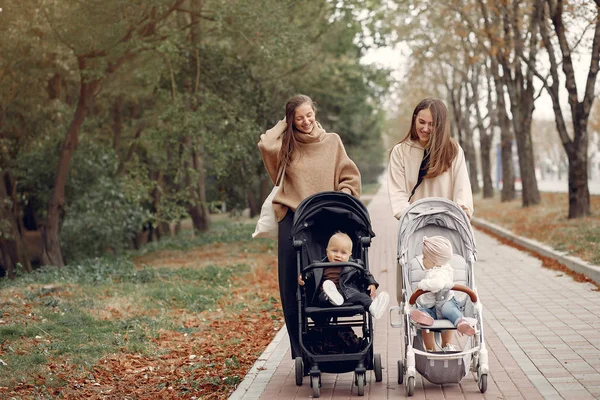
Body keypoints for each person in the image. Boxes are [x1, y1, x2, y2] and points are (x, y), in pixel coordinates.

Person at [258, 94, 361, 359]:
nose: (305, 122)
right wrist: (286, 119)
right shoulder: (286, 146)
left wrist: (346, 194)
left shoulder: (332, 141)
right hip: (293, 218)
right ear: (291, 120)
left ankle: (331, 338)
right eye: (298, 118)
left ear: (316, 112)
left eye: (308, 115)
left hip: (326, 218)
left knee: (326, 279)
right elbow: (265, 143)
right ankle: (301, 349)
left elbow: (349, 175)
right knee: (294, 286)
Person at [388, 97, 473, 350]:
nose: (424, 128)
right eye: (421, 122)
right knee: (417, 284)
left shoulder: (453, 151)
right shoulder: (400, 151)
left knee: (448, 285)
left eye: (431, 124)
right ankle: (426, 341)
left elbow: (462, 192)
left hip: (447, 230)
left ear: (441, 126)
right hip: (415, 230)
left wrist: (459, 213)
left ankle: (448, 343)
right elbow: (398, 194)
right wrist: (411, 217)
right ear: (414, 119)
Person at [297, 232, 390, 319]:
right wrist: (303, 278)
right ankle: (332, 297)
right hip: (326, 297)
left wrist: (371, 283)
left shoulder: (353, 266)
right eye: (334, 251)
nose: (338, 255)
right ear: (327, 251)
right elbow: (309, 276)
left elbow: (365, 274)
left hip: (348, 295)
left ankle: (373, 307)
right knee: (322, 297)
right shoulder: (318, 266)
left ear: (350, 255)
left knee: (362, 297)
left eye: (343, 253)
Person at [409, 236, 475, 351]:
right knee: (424, 313)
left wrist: (421, 284)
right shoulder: (443, 268)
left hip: (445, 302)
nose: (422, 260)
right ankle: (436, 340)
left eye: (424, 257)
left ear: (434, 261)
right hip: (432, 308)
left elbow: (438, 284)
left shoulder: (440, 273)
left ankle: (460, 323)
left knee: (449, 311)